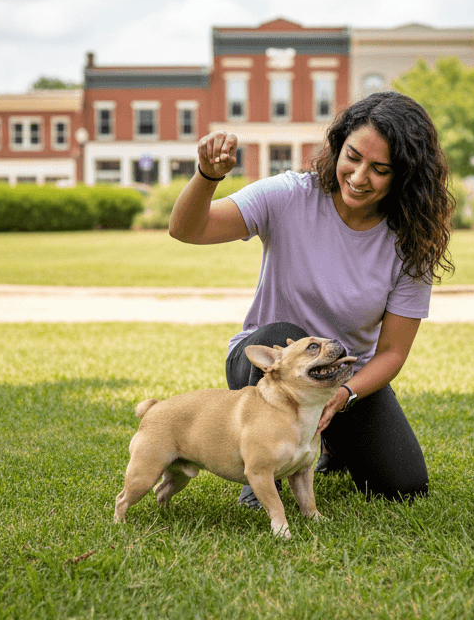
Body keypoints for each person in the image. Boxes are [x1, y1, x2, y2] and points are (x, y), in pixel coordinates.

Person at [168, 91, 454, 506]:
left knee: (404, 486)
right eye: (352, 157)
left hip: (342, 377)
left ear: (404, 175)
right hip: (266, 364)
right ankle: (262, 470)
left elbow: (392, 351)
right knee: (284, 334)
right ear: (338, 147)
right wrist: (206, 177)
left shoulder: (412, 242)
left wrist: (344, 394)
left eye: (380, 169)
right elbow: (188, 230)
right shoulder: (290, 196)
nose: (358, 177)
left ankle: (329, 443)